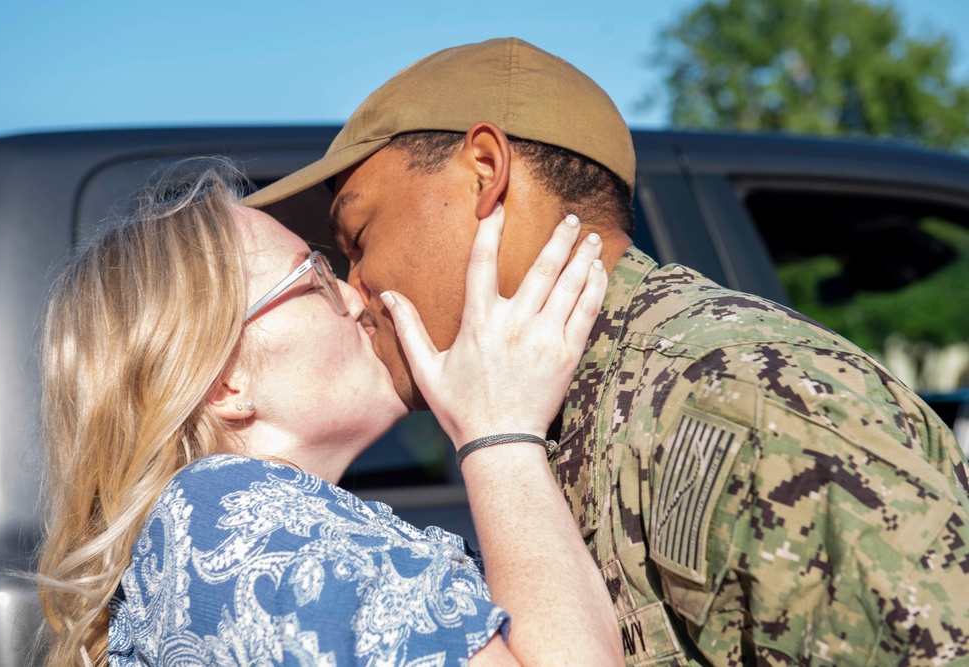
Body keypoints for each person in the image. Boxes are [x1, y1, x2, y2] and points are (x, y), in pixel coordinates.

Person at [244, 37, 969, 665]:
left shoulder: (746, 401)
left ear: (484, 173)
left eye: (359, 237)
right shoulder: (564, 409)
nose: (353, 286)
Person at [37, 160, 624, 666]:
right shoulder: (225, 515)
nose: (352, 293)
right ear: (224, 383)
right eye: (314, 275)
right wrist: (500, 433)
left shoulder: (230, 527)